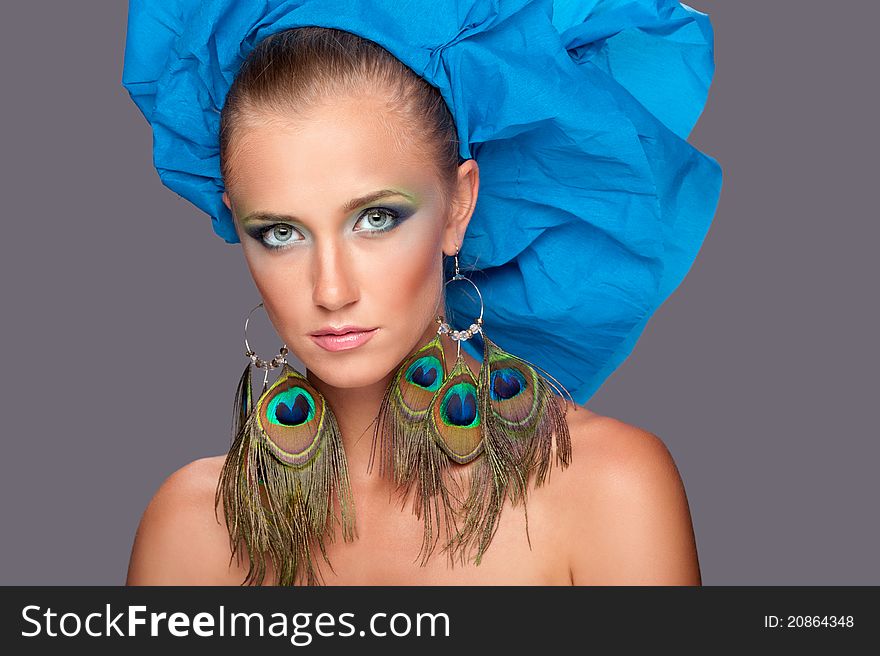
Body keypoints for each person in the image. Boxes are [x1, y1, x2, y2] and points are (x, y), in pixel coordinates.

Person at [122, 0, 720, 586]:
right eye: (280, 233)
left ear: (459, 205)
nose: (330, 290)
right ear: (236, 223)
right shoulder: (192, 528)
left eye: (377, 219)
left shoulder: (607, 490)